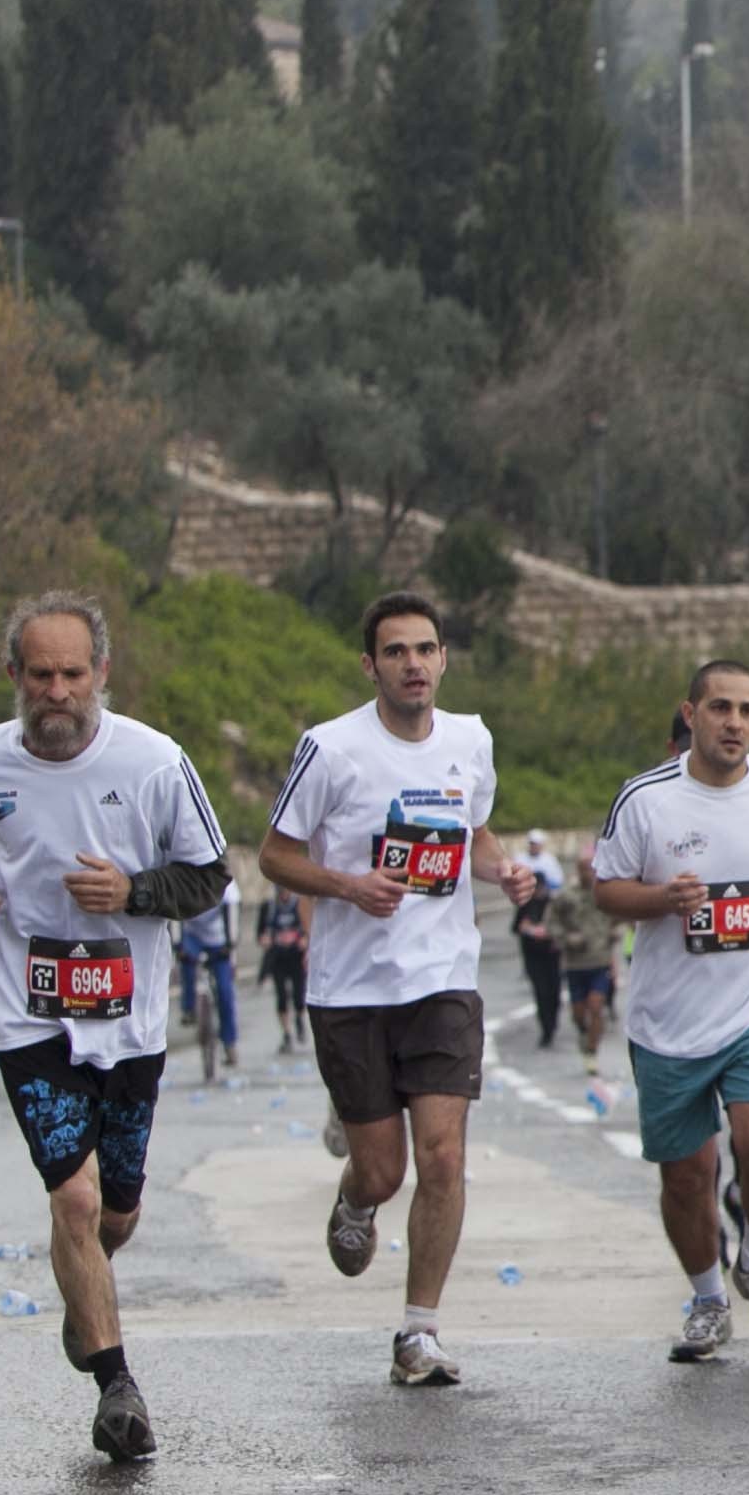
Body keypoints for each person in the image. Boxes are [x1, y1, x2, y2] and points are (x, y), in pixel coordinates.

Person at [0, 591, 230, 1461]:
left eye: (74, 674)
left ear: (101, 674)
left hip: (130, 1018)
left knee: (114, 1214)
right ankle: (119, 1389)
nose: (58, 691)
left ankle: (86, 1293)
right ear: (14, 677)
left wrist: (132, 893)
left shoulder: (154, 761)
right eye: (41, 675)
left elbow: (210, 875)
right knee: (71, 1196)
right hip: (27, 1013)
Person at [260, 588, 530, 1387]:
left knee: (442, 1157)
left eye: (426, 650)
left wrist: (503, 868)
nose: (414, 665)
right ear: (371, 665)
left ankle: (420, 1332)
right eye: (396, 652)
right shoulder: (331, 749)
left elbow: (472, 831)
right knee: (385, 1170)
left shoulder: (470, 740)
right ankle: (355, 1198)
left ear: (444, 658)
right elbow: (275, 855)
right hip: (350, 988)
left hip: (443, 978)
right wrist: (347, 886)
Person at [590, 660, 749, 1362]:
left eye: (748, 710)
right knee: (687, 1175)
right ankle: (705, 1296)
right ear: (690, 713)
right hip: (668, 1023)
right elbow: (607, 889)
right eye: (720, 708)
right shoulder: (646, 799)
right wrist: (661, 901)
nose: (734, 722)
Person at [172, 873, 242, 1078]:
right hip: (193, 937)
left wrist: (230, 947)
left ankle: (229, 1043)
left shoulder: (227, 885)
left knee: (225, 991)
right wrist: (178, 947)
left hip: (219, 940)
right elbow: (174, 915)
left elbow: (233, 919)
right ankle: (188, 1009)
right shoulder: (184, 881)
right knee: (187, 963)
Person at [549, 862, 616, 1069]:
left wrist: (616, 933)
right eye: (585, 869)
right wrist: (567, 938)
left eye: (593, 869)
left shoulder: (606, 893)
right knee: (578, 1011)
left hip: (600, 960)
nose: (590, 874)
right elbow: (551, 922)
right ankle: (583, 1032)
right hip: (575, 962)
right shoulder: (566, 896)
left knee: (596, 1005)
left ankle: (592, 1051)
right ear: (578, 872)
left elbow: (622, 917)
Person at [509, 828, 566, 1050]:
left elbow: (563, 927)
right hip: (533, 956)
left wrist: (550, 932)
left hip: (552, 954)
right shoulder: (527, 904)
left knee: (554, 992)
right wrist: (530, 930)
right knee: (541, 992)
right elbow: (516, 927)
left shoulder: (554, 903)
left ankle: (553, 1024)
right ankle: (546, 1030)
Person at [258, 885, 310, 1056]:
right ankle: (287, 1034)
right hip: (278, 957)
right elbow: (261, 933)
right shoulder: (270, 908)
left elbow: (308, 928)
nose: (284, 894)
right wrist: (266, 939)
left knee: (298, 996)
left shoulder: (298, 905)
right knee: (281, 997)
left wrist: (304, 940)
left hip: (295, 957)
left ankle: (299, 1020)